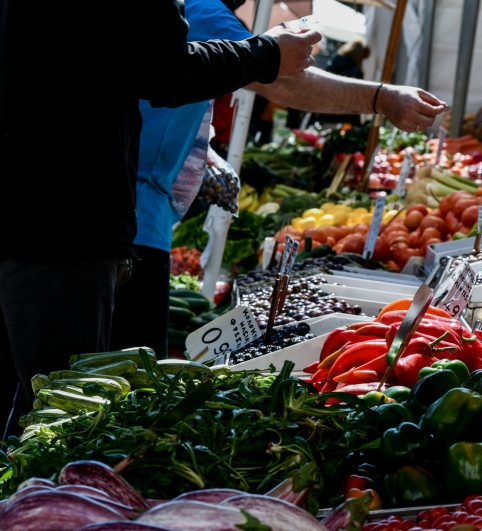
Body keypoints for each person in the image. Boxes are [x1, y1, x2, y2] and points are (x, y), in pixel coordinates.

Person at [0, 0, 320, 439]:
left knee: (34, 409)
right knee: (61, 420)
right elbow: (165, 71)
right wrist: (268, 54)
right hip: (66, 214)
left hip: (37, 206)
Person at [111, 0, 448, 359]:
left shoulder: (192, 9)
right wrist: (381, 98)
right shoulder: (205, 9)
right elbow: (283, 83)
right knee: (130, 378)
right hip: (135, 219)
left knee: (108, 372)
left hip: (133, 211)